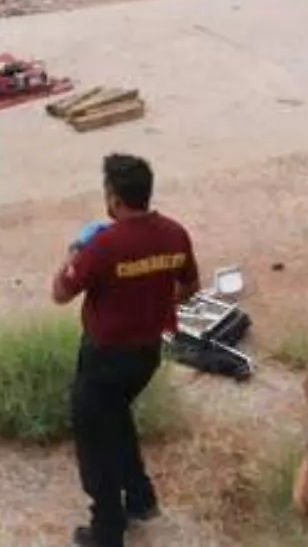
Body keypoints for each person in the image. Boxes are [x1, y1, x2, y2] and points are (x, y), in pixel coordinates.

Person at [51, 154, 198, 547]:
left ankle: (107, 531)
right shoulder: (175, 234)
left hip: (104, 359)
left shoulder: (101, 246)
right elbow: (188, 288)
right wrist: (153, 302)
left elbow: (60, 294)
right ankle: (139, 498)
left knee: (95, 441)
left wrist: (72, 254)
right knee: (116, 419)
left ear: (114, 199)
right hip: (147, 354)